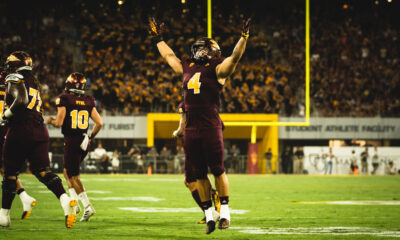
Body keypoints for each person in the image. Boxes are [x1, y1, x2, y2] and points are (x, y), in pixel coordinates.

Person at [150, 16, 250, 234]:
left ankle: (225, 212)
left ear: (211, 50)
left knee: (218, 170)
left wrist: (243, 38)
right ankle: (208, 216)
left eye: (203, 48)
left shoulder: (218, 67)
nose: (199, 51)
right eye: (198, 48)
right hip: (191, 127)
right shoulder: (188, 66)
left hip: (210, 124)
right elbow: (169, 56)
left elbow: (234, 58)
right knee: (197, 175)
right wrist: (159, 38)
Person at [0, 51, 76, 228]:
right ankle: (65, 200)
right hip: (40, 130)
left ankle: (4, 216)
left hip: (20, 128)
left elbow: (21, 101)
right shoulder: (33, 81)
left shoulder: (14, 76)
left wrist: (5, 115)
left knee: (10, 173)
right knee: (43, 171)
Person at [46, 72, 103, 222]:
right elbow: (99, 123)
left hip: (72, 140)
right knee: (66, 171)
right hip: (84, 140)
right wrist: (90, 137)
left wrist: (50, 120)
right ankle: (74, 202)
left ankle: (87, 206)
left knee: (73, 176)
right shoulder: (88, 100)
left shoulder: (65, 99)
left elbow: (58, 123)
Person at [173, 102, 221, 224]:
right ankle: (214, 197)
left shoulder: (184, 105)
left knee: (190, 181)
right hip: (209, 138)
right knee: (202, 176)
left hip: (193, 142)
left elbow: (182, 124)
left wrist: (177, 132)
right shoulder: (205, 101)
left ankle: (210, 213)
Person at [0, 67, 36, 220]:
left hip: (3, 128)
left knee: (6, 170)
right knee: (5, 169)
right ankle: (24, 197)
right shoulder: (10, 89)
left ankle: (8, 211)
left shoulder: (10, 89)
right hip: (7, 128)